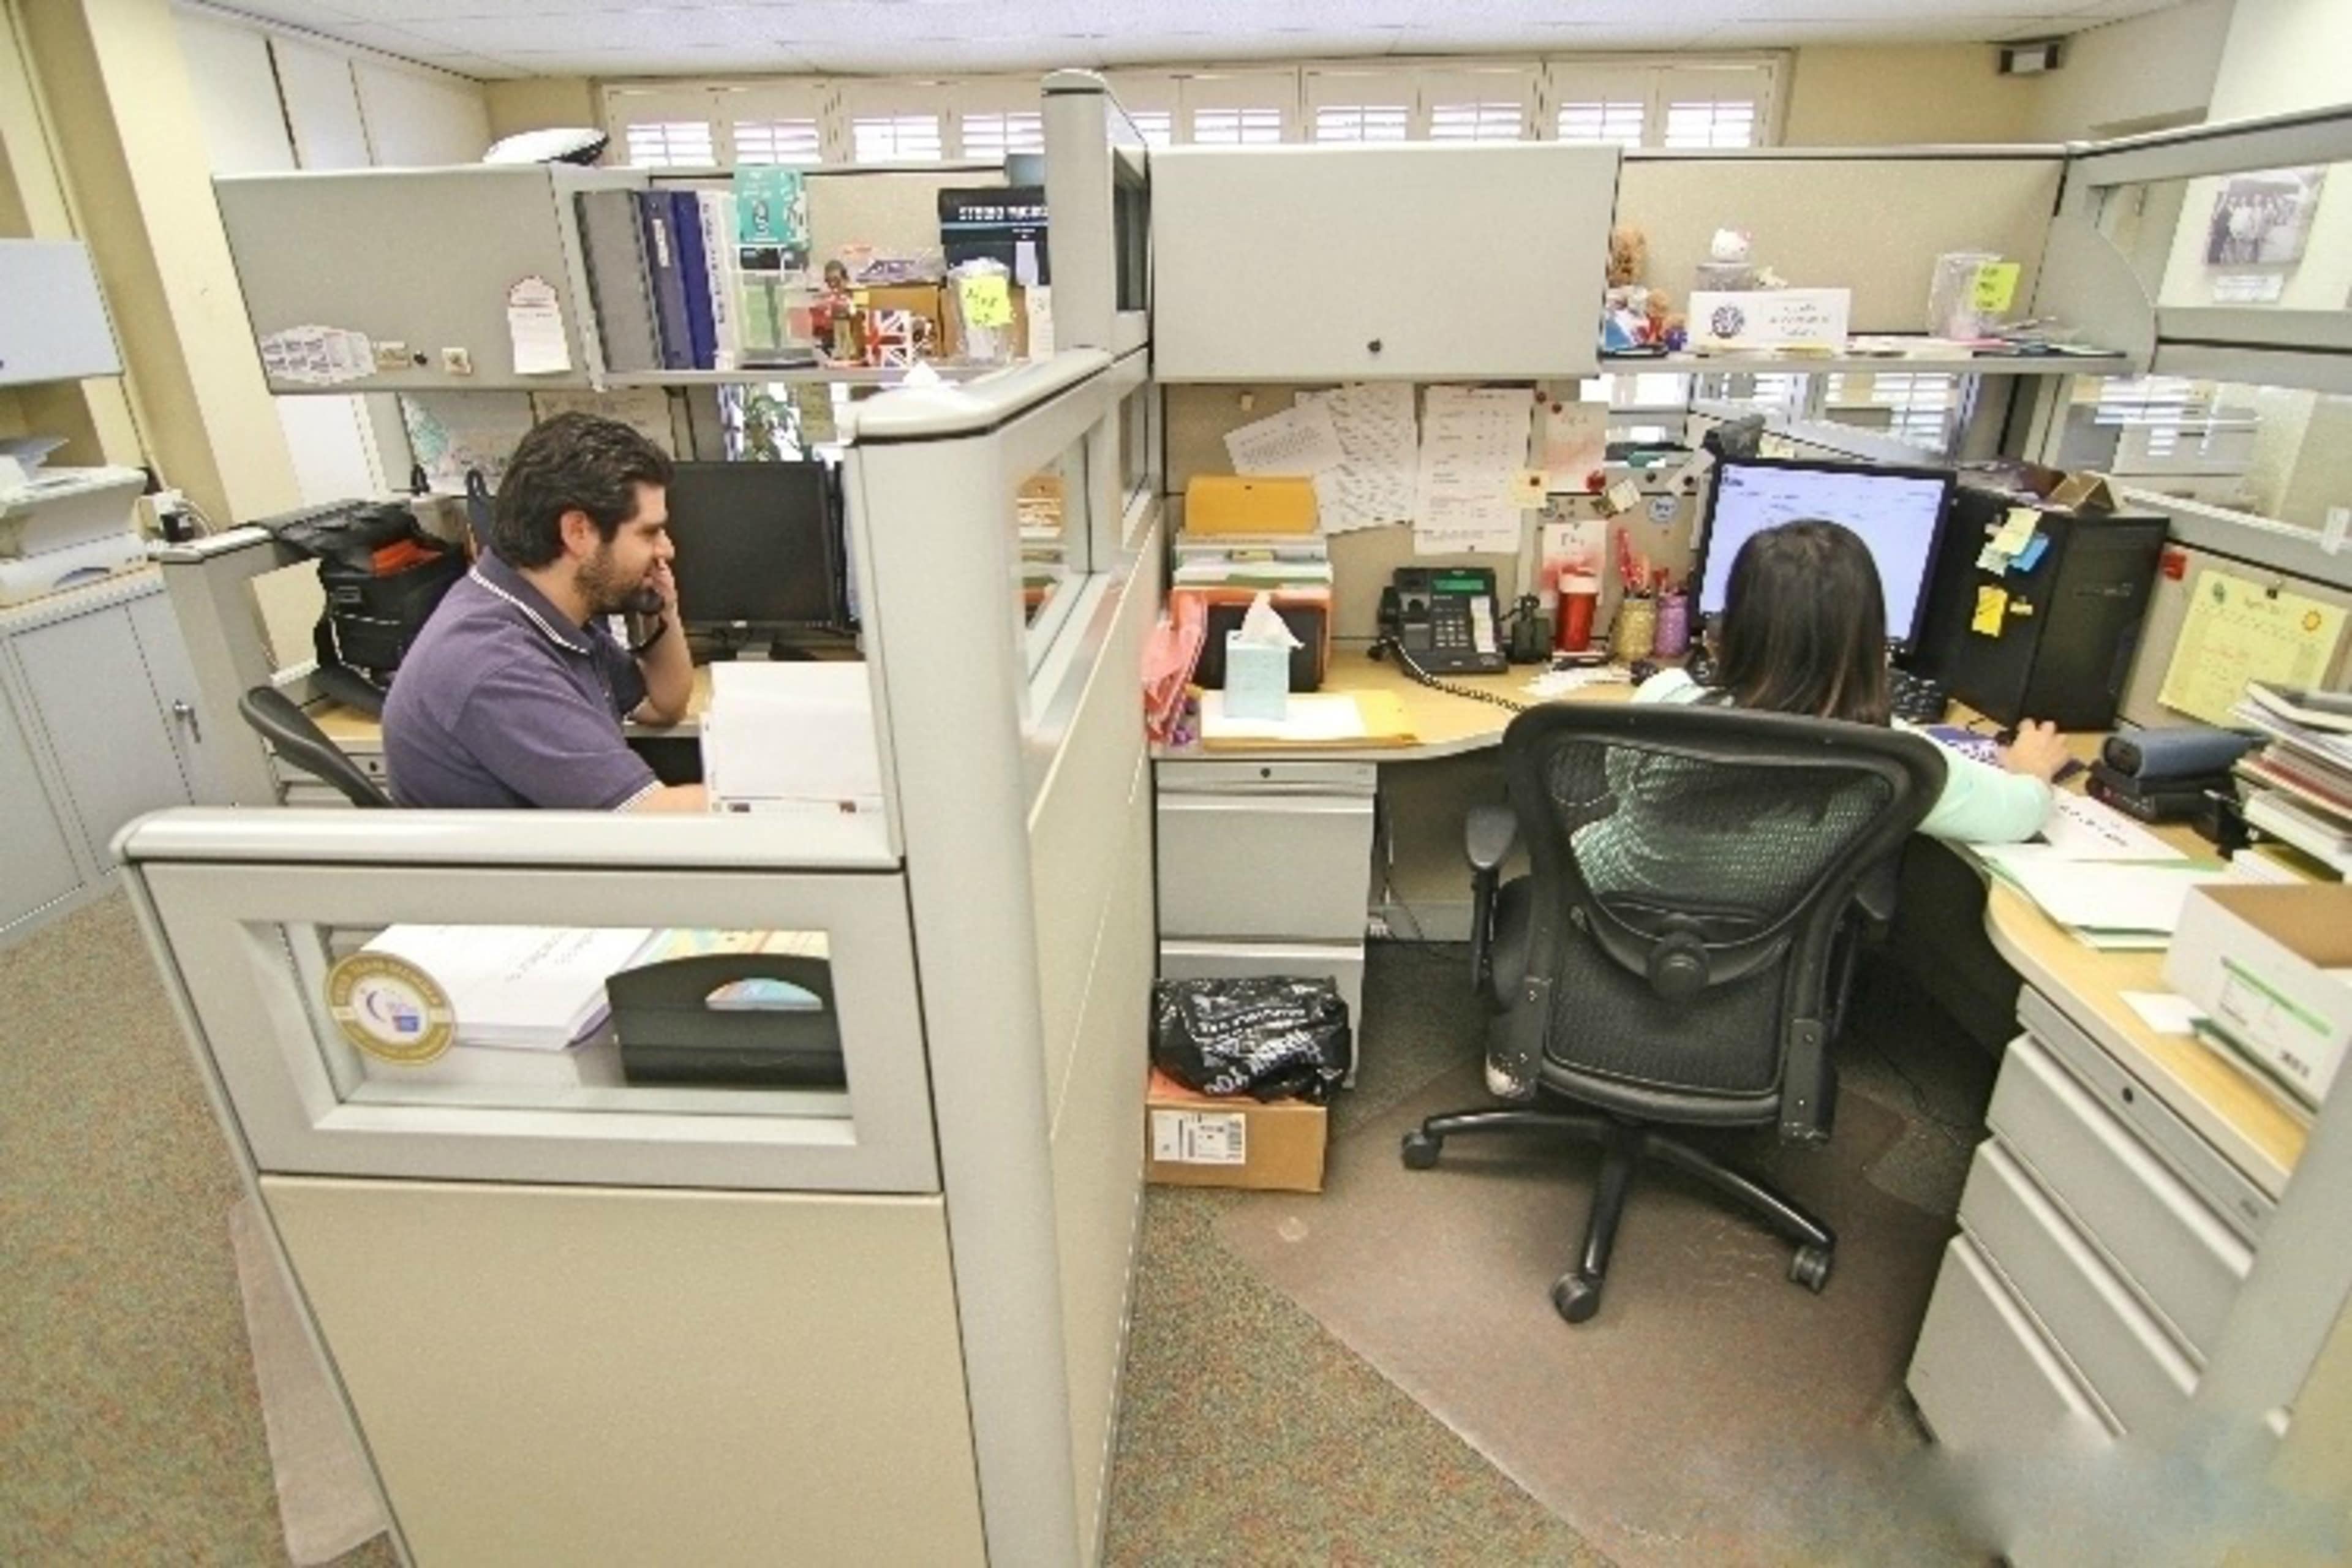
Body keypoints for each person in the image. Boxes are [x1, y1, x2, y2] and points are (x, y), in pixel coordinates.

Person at [1636, 518, 2066, 840]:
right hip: (1766, 949)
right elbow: (2018, 815)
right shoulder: (1896, 758)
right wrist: (2029, 770)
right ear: (1869, 641)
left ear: (1732, 630)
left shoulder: (1663, 703)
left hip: (1604, 925)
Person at [382, 412, 706, 811]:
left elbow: (662, 705)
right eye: (648, 532)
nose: (667, 550)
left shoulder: (542, 613)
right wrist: (793, 802)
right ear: (578, 532)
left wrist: (661, 607)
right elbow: (647, 817)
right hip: (527, 872)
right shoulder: (496, 662)